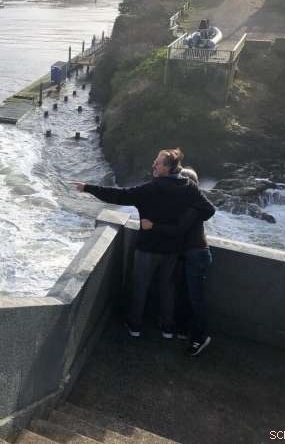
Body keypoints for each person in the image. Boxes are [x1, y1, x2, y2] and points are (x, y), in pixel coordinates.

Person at [71, 149, 215, 339]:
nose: (154, 165)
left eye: (158, 163)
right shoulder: (189, 188)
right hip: (172, 250)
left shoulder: (150, 189)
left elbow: (118, 196)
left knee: (140, 286)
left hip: (148, 248)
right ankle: (167, 328)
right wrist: (185, 221)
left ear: (169, 167)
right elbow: (208, 210)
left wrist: (87, 188)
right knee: (167, 289)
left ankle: (135, 326)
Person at [141, 167, 213, 357]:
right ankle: (183, 329)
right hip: (187, 255)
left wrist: (153, 226)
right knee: (184, 294)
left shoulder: (194, 207)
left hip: (197, 255)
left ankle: (200, 337)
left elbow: (179, 230)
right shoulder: (187, 204)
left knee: (197, 299)